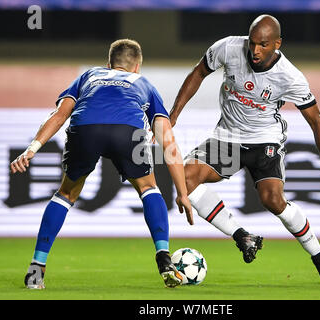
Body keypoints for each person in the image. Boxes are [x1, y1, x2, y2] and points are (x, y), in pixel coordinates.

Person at [169, 15, 320, 284]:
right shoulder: (229, 48)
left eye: (263, 45)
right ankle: (242, 236)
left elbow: (316, 121)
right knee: (185, 178)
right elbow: (199, 72)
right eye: (253, 43)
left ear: (277, 44)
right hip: (227, 139)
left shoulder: (290, 76)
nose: (255, 51)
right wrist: (174, 114)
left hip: (264, 141)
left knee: (273, 201)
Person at [10, 39, 193, 289]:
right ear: (137, 66)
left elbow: (60, 115)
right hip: (127, 132)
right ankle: (164, 257)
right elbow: (167, 139)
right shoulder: (144, 83)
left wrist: (32, 148)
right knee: (148, 188)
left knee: (65, 193)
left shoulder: (90, 75)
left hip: (85, 129)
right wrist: (182, 193)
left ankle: (36, 268)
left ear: (108, 63)